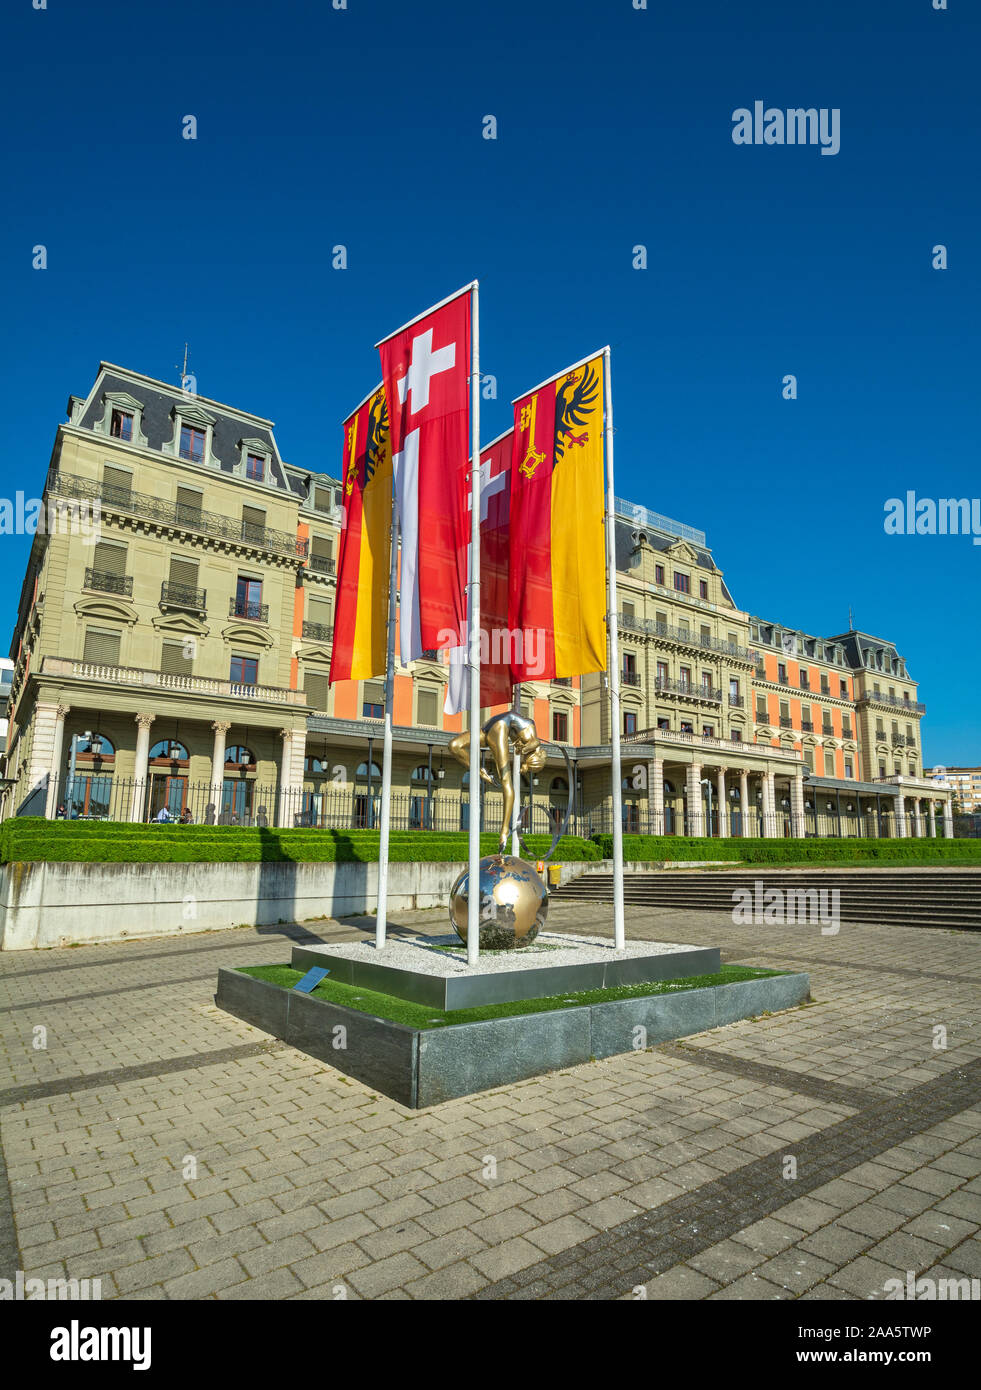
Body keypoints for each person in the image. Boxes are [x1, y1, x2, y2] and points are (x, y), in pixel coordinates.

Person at [448, 709, 547, 851]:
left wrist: (522, 753)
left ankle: (504, 830)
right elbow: (534, 742)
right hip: (494, 727)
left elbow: (526, 746)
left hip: (494, 728)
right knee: (454, 746)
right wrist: (524, 751)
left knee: (506, 780)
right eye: (528, 763)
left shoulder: (525, 735)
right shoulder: (531, 731)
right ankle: (480, 772)